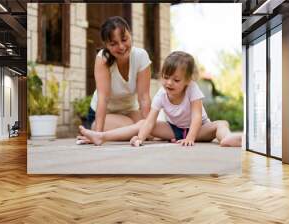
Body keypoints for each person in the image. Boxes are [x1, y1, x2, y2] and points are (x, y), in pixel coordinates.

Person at [79, 51, 242, 147]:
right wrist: (140, 137)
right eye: (166, 77)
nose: (169, 83)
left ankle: (226, 138)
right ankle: (102, 137)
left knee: (221, 123)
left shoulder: (193, 89)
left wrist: (190, 138)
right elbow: (150, 120)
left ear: (188, 81)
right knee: (142, 124)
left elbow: (197, 117)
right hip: (174, 129)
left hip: (199, 129)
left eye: (176, 80)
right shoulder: (161, 93)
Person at [77, 16, 152, 144]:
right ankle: (98, 131)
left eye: (124, 39)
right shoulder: (103, 59)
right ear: (106, 45)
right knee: (134, 125)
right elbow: (103, 98)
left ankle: (136, 130)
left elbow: (144, 97)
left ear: (130, 34)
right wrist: (98, 134)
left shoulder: (141, 56)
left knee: (151, 122)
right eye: (114, 44)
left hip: (129, 111)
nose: (121, 47)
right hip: (104, 114)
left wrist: (148, 130)